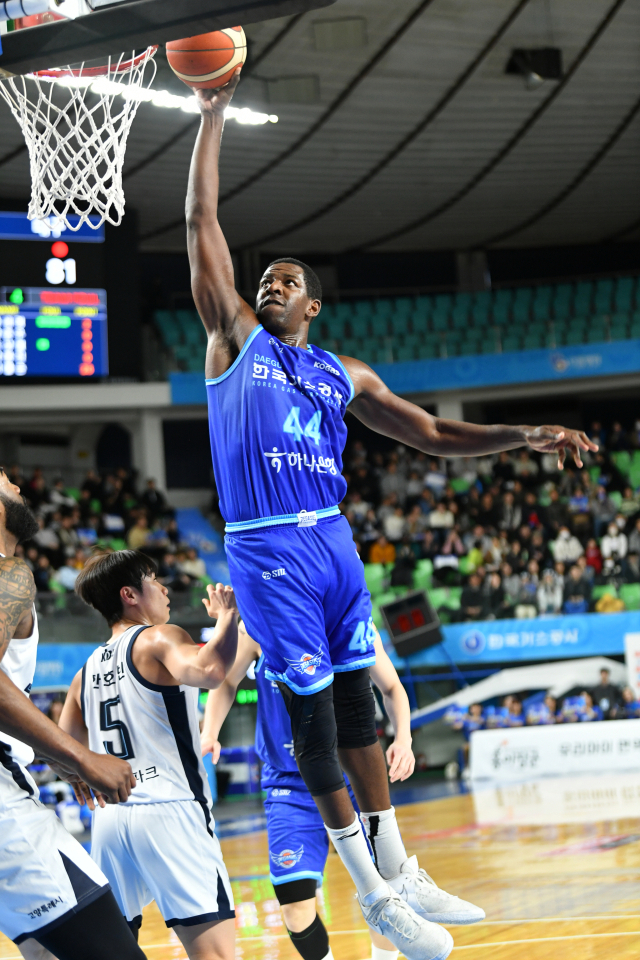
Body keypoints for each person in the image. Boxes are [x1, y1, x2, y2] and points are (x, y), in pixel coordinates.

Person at [186, 70, 596, 960]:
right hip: (269, 548)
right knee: (314, 723)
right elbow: (201, 227)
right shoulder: (232, 342)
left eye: (286, 280)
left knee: (359, 706)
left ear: (315, 304)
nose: (270, 283)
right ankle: (371, 896)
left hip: (333, 542)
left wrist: (524, 433)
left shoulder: (346, 373)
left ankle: (398, 863)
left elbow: (434, 433)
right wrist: (212, 116)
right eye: (265, 278)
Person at [204, 622, 467, 960]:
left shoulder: (350, 619)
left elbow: (392, 688)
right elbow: (226, 680)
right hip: (288, 783)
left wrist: (404, 739)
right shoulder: (260, 624)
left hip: (350, 775)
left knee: (382, 892)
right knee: (295, 909)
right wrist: (210, 730)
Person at [59, 552, 239, 960]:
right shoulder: (158, 637)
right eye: (154, 580)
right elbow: (209, 672)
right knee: (215, 955)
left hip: (110, 821)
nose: (164, 589)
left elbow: (63, 746)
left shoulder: (83, 672)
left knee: (114, 952)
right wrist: (227, 619)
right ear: (130, 595)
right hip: (170, 812)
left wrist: (78, 777)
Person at [0, 468, 147, 960]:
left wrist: (50, 753)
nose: (18, 486)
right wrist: (80, 757)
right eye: (4, 479)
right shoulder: (9, 570)